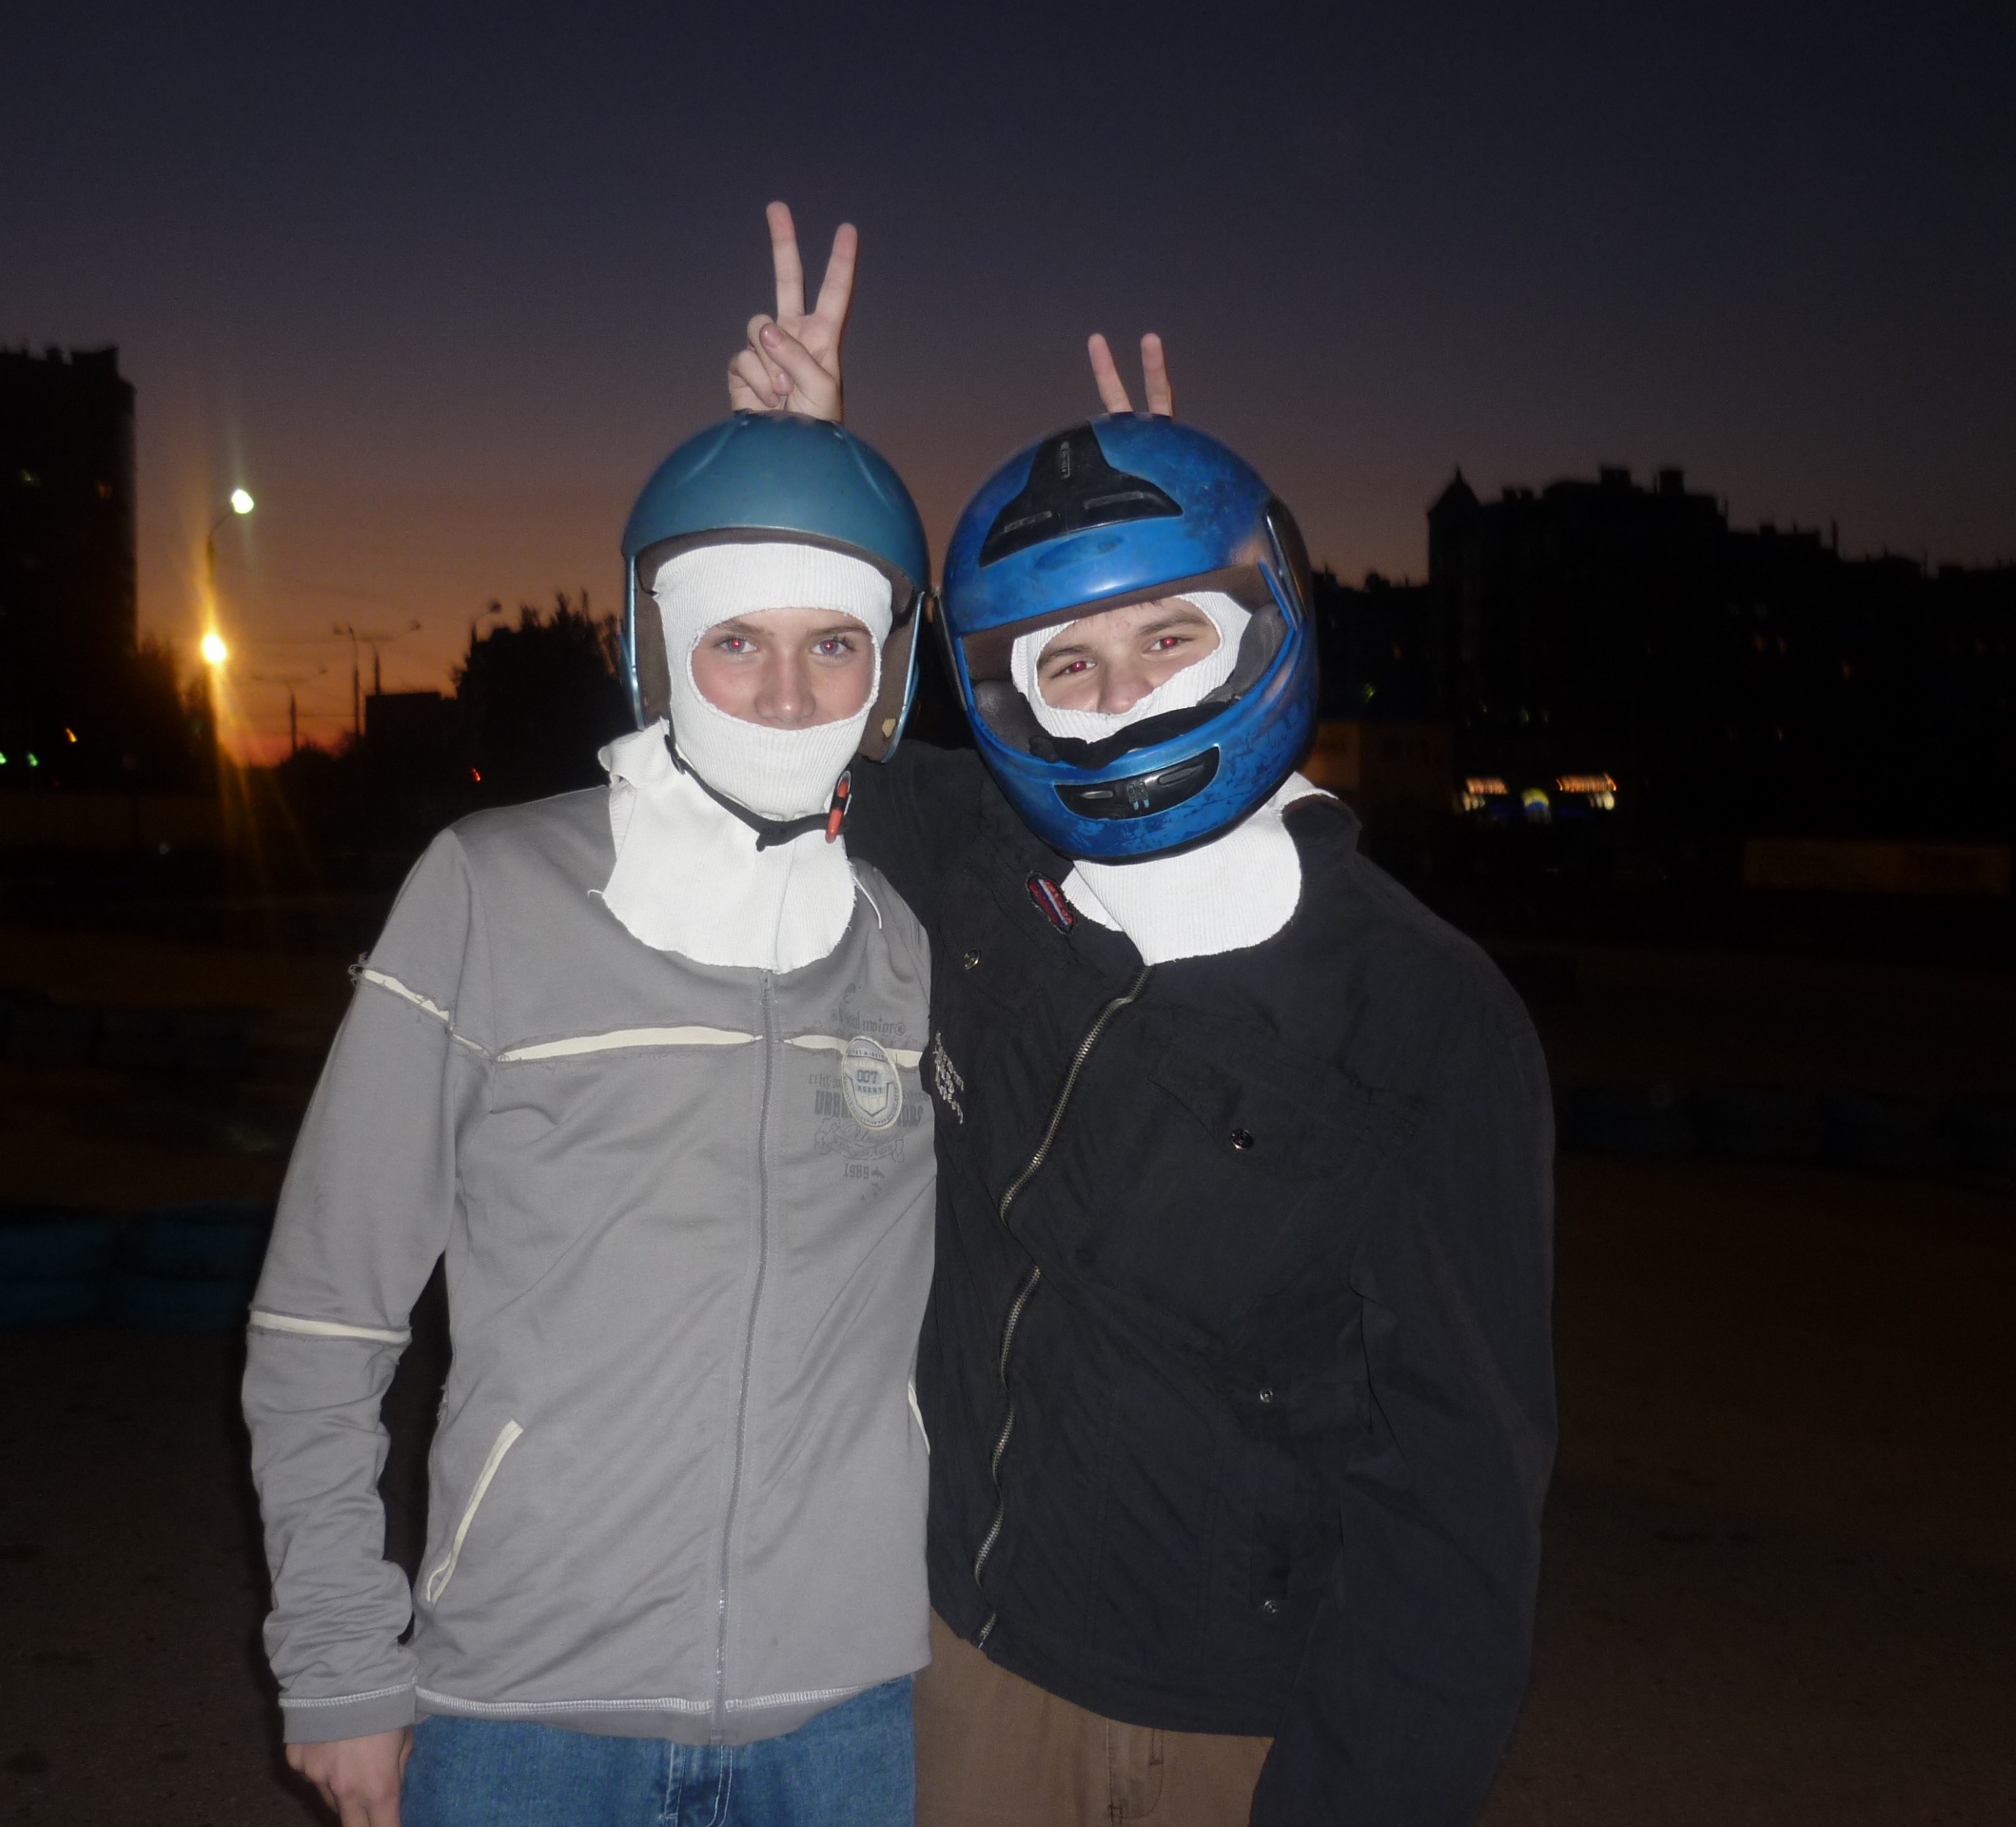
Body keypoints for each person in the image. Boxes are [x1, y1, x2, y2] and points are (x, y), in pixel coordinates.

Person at [729, 206, 1556, 1826]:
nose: (1126, 700)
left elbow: (1458, 1499)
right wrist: (810, 492)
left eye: (1170, 635)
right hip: (961, 1660)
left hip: (1228, 1728)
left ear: (1265, 618)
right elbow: (793, 737)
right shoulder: (986, 871)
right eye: (1071, 664)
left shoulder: (1419, 1013)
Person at [244, 257, 943, 1827]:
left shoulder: (908, 938)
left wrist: (825, 480)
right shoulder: (489, 888)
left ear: (888, 667)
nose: (786, 692)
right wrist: (341, 1660)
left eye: (834, 642)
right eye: (735, 638)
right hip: (526, 1710)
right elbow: (324, 1313)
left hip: (843, 1716)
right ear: (654, 644)